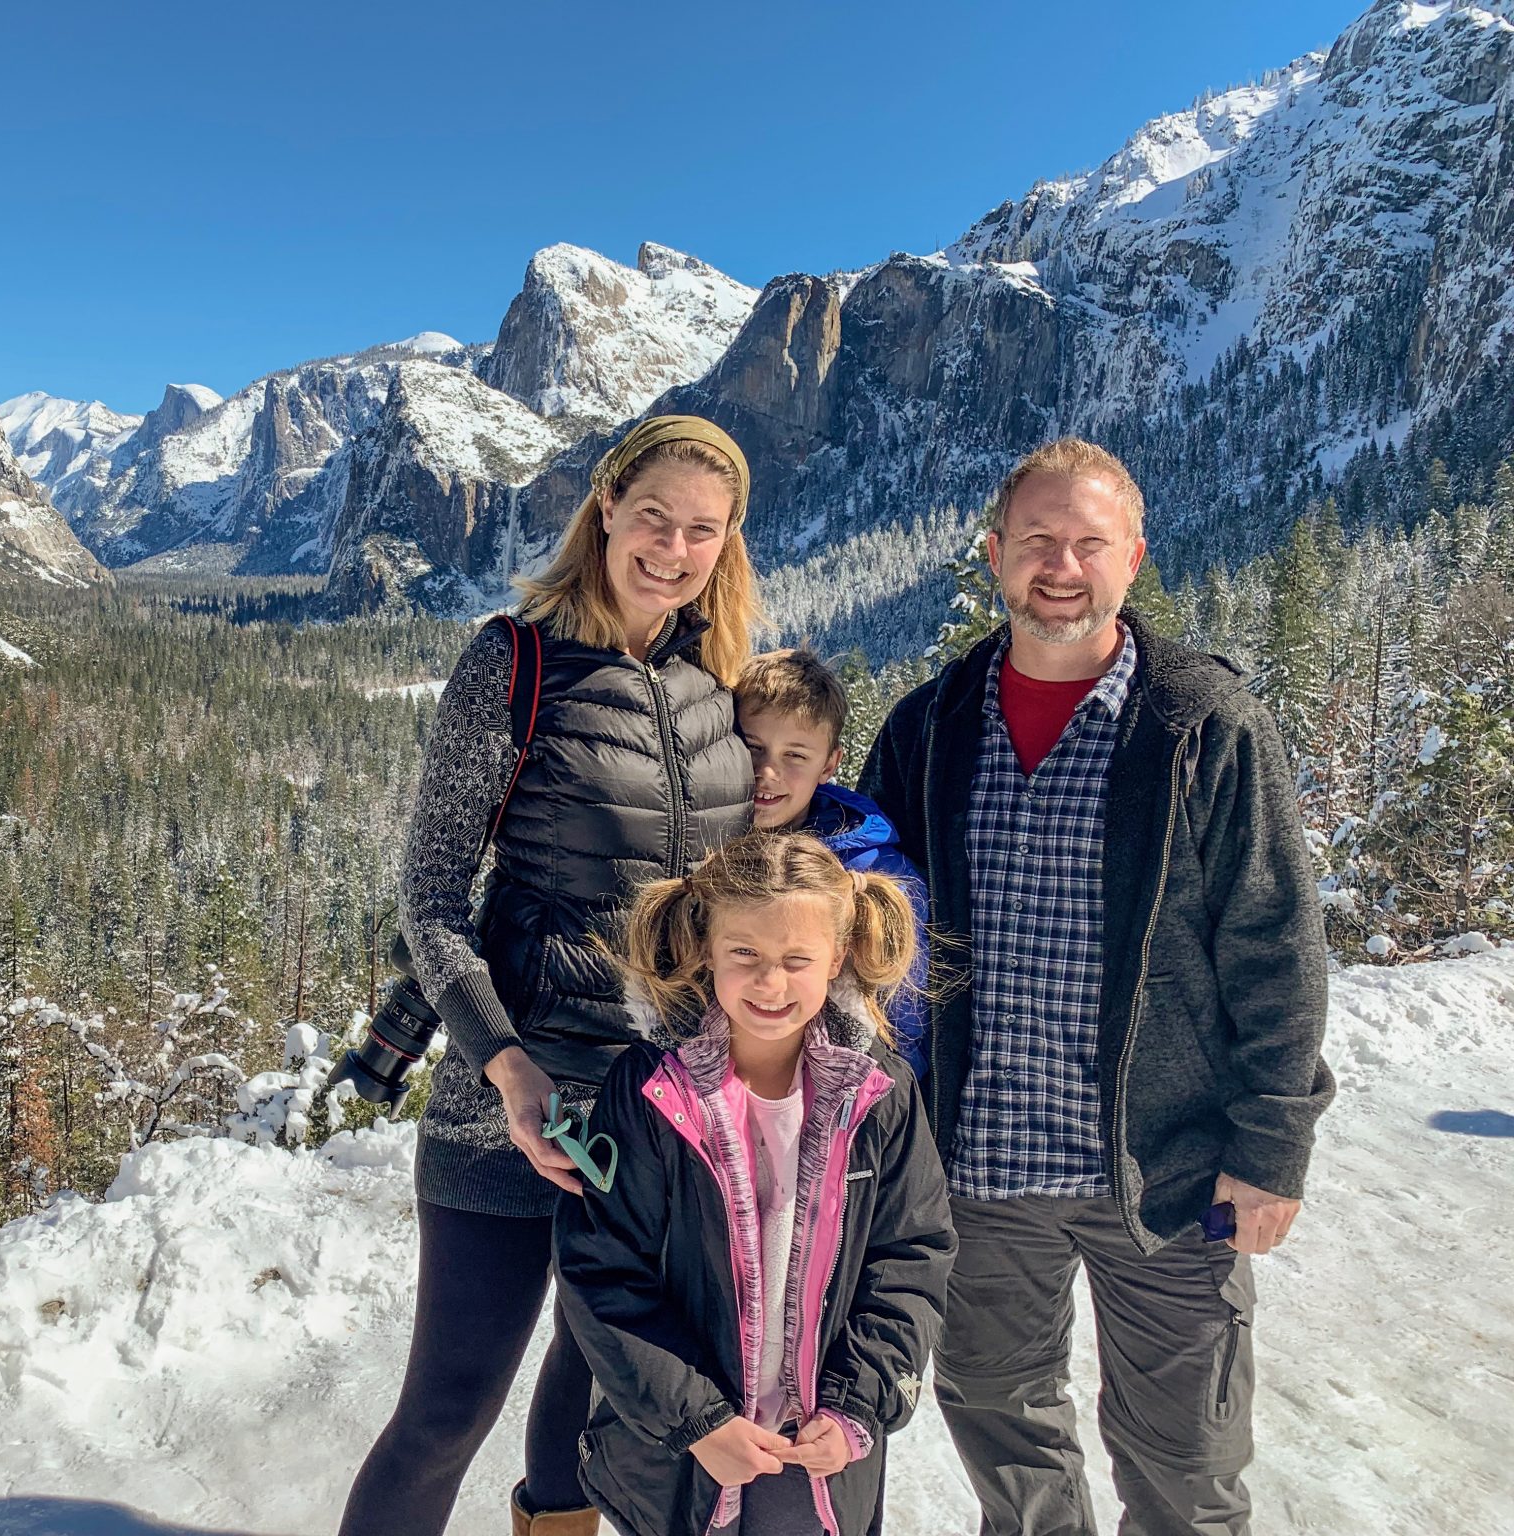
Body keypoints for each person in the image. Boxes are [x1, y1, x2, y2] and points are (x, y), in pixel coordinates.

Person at [858, 437, 1335, 1536]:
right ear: (994, 556)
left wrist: (1272, 1146)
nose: (1060, 566)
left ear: (1133, 558)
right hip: (976, 1169)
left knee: (1187, 1470)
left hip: (1165, 1175)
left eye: (1088, 542)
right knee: (1005, 1437)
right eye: (1036, 540)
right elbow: (870, 931)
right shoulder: (929, 725)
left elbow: (1273, 942)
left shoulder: (1201, 724)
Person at [337, 415, 762, 1536]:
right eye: (654, 517)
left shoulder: (719, 687)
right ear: (607, 508)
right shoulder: (514, 663)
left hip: (656, 1116)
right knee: (447, 1412)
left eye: (703, 531)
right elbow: (431, 897)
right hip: (509, 1107)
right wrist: (507, 1067)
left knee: (589, 1408)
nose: (673, 549)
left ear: (727, 543)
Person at [553, 830, 955, 1536]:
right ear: (708, 949)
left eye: (797, 961)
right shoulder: (651, 1091)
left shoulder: (879, 1095)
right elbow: (603, 1266)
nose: (771, 984)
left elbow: (910, 1261)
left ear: (837, 957)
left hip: (816, 1452)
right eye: (746, 956)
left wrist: (856, 1407)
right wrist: (697, 1420)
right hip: (687, 1451)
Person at [734, 646, 933, 1076]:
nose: (767, 772)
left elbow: (903, 1019)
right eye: (753, 747)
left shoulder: (875, 872)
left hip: (839, 1093)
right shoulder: (704, 847)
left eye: (795, 756)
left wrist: (885, 1098)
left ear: (829, 764)